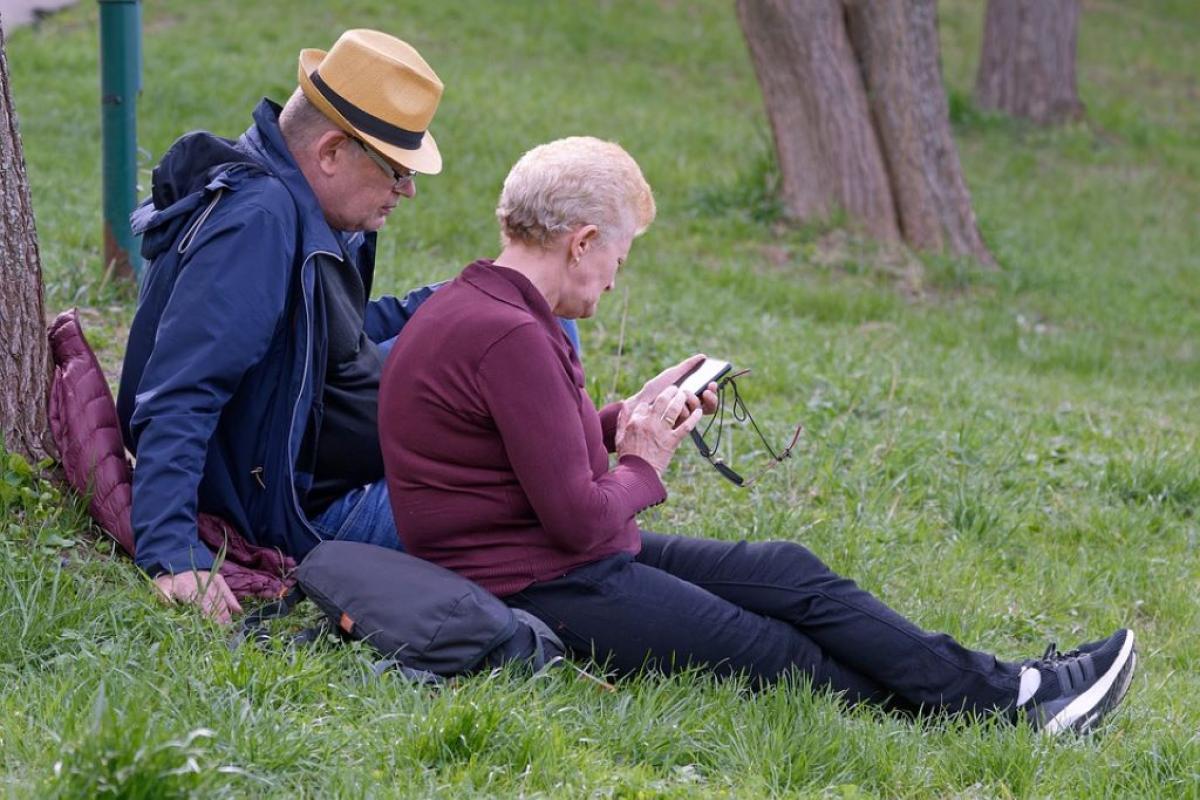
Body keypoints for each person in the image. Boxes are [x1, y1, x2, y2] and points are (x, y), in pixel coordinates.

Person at [379, 136, 1137, 734]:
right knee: (775, 650)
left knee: (788, 570)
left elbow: (524, 443)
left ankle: (1009, 690)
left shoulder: (477, 302)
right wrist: (645, 463)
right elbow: (577, 515)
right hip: (537, 583)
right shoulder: (509, 334)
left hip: (554, 559)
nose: (614, 279)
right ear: (581, 242)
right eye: (617, 256)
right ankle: (1013, 706)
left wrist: (631, 415)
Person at [116, 30, 448, 623]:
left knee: (519, 314)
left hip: (324, 450)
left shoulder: (299, 202)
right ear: (330, 153)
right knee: (507, 496)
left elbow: (323, 332)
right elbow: (183, 389)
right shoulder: (259, 222)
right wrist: (171, 550)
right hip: (301, 509)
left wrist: (465, 297)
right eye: (397, 170)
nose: (409, 190)